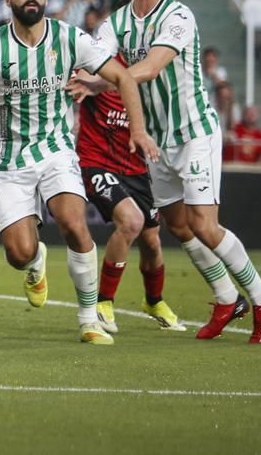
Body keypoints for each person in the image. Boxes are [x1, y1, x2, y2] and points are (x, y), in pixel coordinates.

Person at [78, 0, 261, 343]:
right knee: (178, 225)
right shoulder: (116, 23)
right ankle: (226, 299)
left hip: (194, 134)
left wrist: (102, 81)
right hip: (158, 143)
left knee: (204, 224)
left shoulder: (178, 16)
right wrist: (86, 76)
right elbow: (96, 60)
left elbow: (150, 68)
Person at [0, 0, 158, 345]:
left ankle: (89, 319)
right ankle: (35, 261)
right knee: (18, 254)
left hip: (56, 149)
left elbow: (122, 76)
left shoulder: (69, 37)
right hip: (9, 159)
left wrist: (137, 129)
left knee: (73, 223)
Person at [73, 56, 185, 334]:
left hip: (138, 169)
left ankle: (154, 301)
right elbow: (78, 80)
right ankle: (103, 302)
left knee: (152, 241)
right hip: (97, 162)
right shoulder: (99, 64)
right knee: (131, 221)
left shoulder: (149, 75)